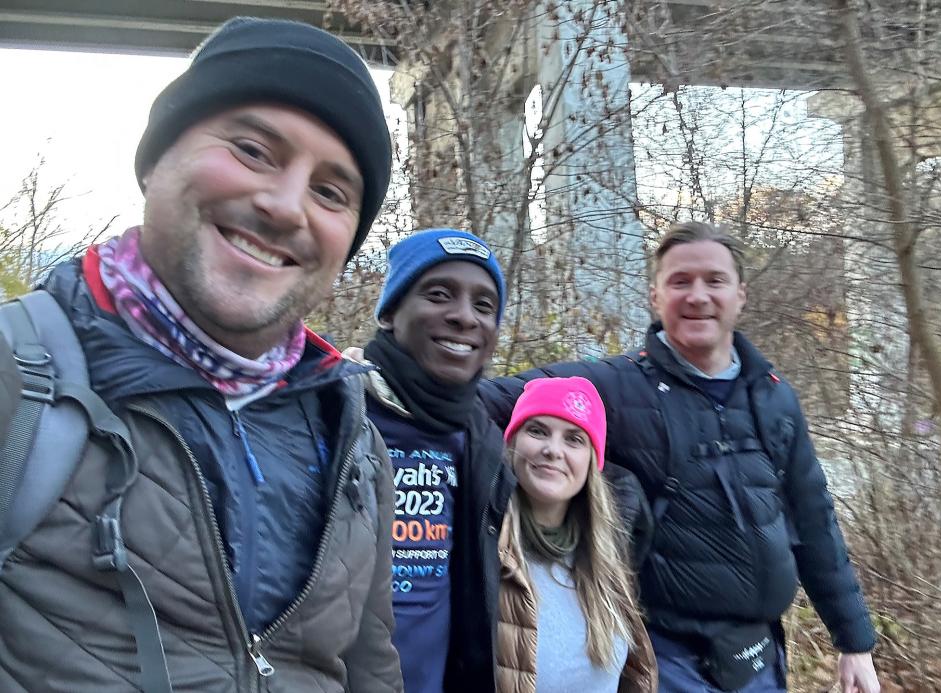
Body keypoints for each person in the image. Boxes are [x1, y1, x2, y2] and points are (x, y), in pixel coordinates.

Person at [0, 17, 402, 692]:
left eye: (331, 192)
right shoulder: (18, 374)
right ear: (155, 158)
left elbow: (370, 667)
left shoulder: (355, 438)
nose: (284, 205)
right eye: (252, 150)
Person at [481, 221, 881, 693]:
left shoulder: (774, 399)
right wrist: (385, 377)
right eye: (680, 282)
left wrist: (854, 641)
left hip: (760, 659)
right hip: (667, 657)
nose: (697, 296)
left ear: (740, 295)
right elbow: (483, 399)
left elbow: (814, 521)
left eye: (714, 281)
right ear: (655, 297)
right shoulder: (620, 385)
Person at [341, 228, 516, 693]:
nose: (464, 317)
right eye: (439, 295)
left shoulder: (479, 436)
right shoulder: (332, 410)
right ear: (390, 312)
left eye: (484, 305)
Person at [496, 376, 656, 693]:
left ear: (592, 462)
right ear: (513, 445)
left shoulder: (607, 558)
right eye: (537, 430)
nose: (553, 450)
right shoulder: (483, 547)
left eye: (574, 439)